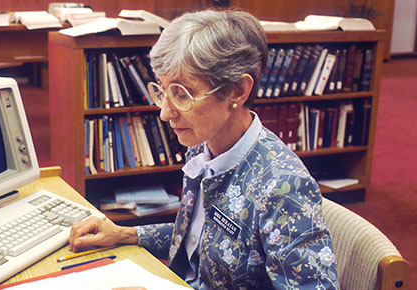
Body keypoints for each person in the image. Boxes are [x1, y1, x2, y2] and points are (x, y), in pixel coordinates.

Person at [69, 8, 340, 289]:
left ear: (237, 91)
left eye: (182, 94)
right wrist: (126, 234)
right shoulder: (203, 144)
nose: (165, 113)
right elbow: (201, 238)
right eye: (162, 90)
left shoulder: (282, 186)